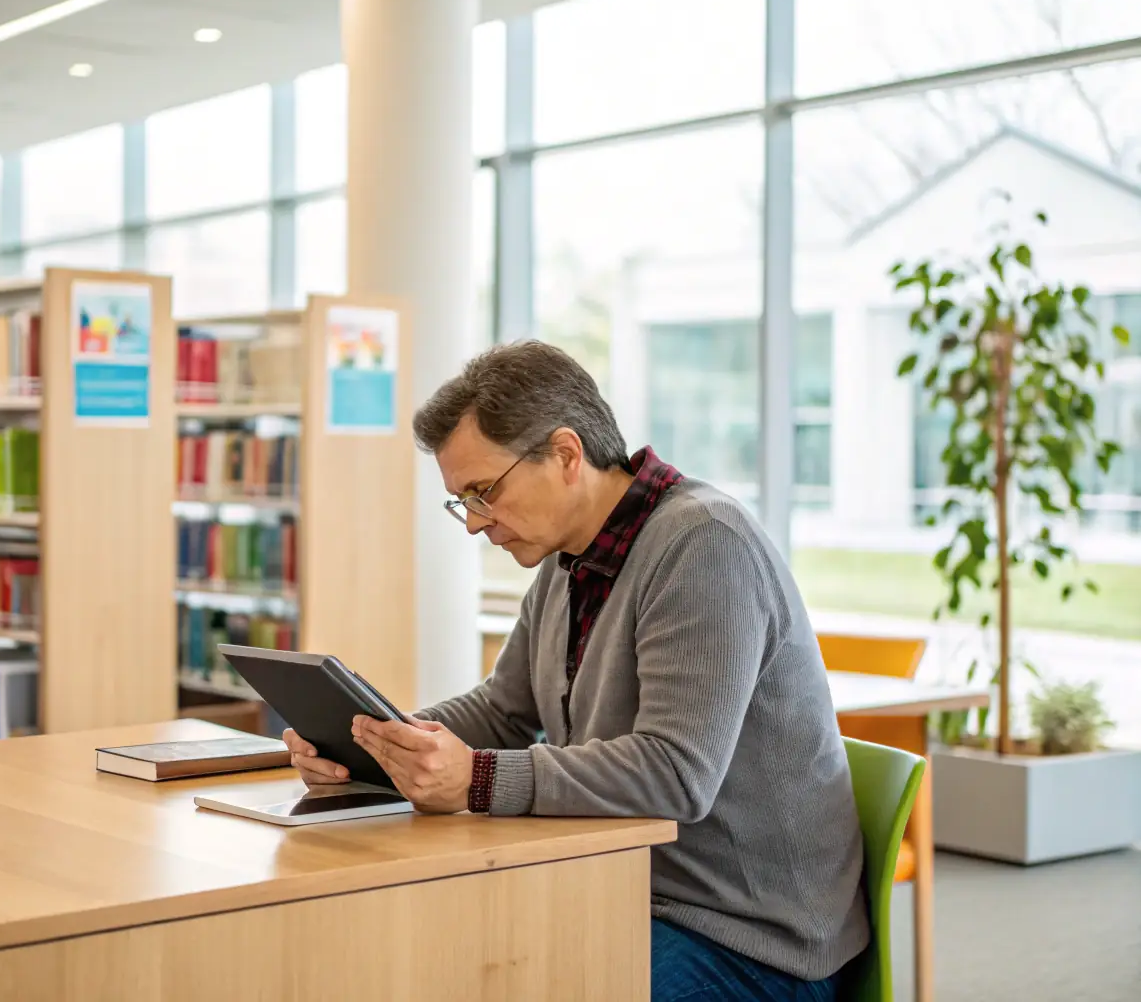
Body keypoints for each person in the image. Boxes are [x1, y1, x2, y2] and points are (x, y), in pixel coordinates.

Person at [284, 341, 869, 1001]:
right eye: (462, 502)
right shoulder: (569, 559)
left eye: (483, 493)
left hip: (750, 935)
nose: (475, 524)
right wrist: (376, 738)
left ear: (565, 454)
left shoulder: (705, 545)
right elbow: (503, 710)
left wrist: (471, 779)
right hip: (618, 882)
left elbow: (675, 775)